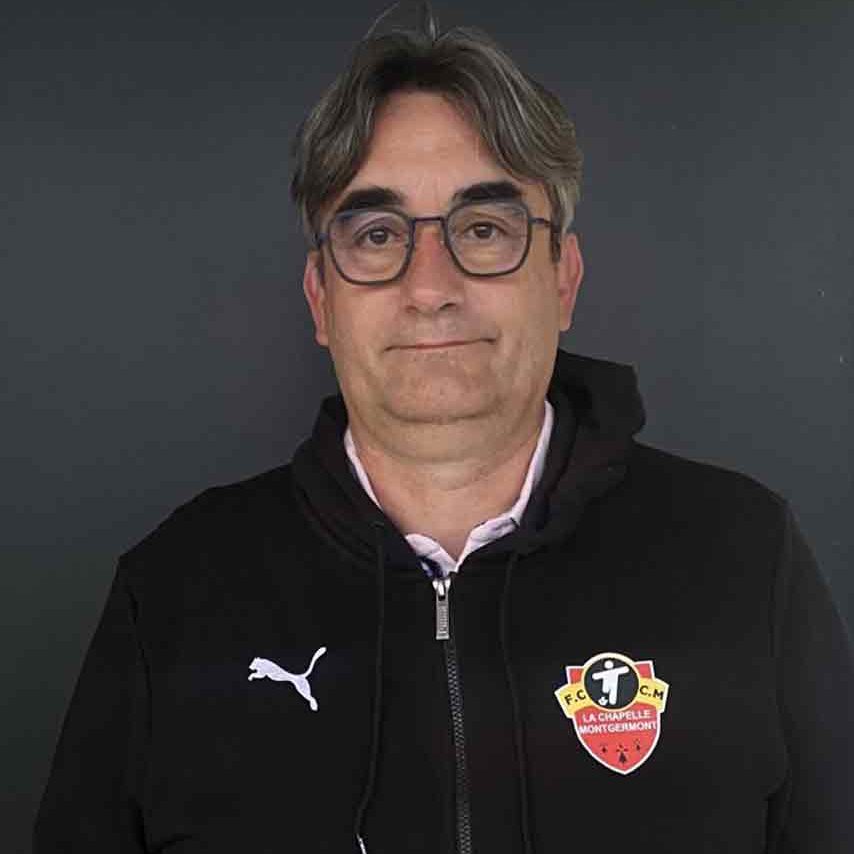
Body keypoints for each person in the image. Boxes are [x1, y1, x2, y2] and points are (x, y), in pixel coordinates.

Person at [34, 4, 854, 853]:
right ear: (320, 299)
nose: (430, 287)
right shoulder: (172, 597)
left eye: (485, 229)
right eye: (377, 234)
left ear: (563, 279)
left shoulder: (746, 561)